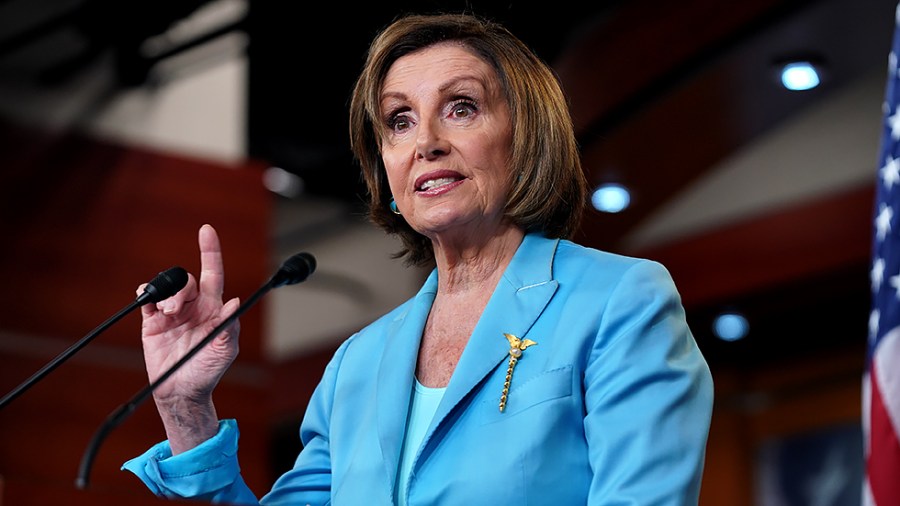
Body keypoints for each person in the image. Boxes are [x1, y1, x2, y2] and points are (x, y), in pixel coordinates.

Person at [122, 11, 715, 506]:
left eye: (461, 107)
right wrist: (185, 407)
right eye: (399, 121)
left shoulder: (618, 299)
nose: (426, 141)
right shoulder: (356, 363)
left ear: (527, 134)